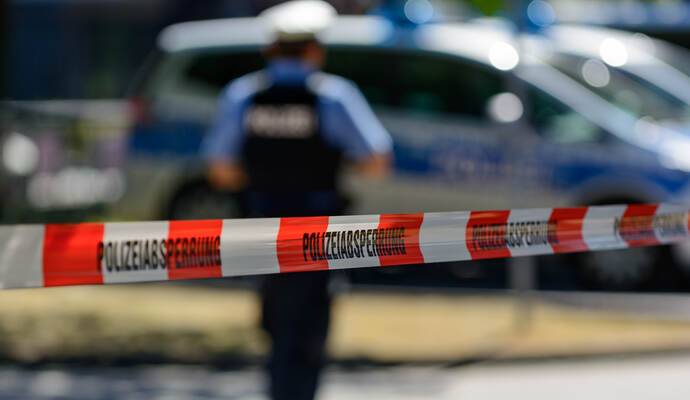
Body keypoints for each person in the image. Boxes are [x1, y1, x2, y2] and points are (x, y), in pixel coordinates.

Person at [200, 1, 393, 399]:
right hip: (317, 228)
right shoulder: (334, 97)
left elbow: (219, 170)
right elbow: (377, 160)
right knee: (309, 323)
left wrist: (265, 173)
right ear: (314, 50)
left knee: (276, 320)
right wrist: (329, 163)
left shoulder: (243, 96)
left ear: (270, 49)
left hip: (262, 226)